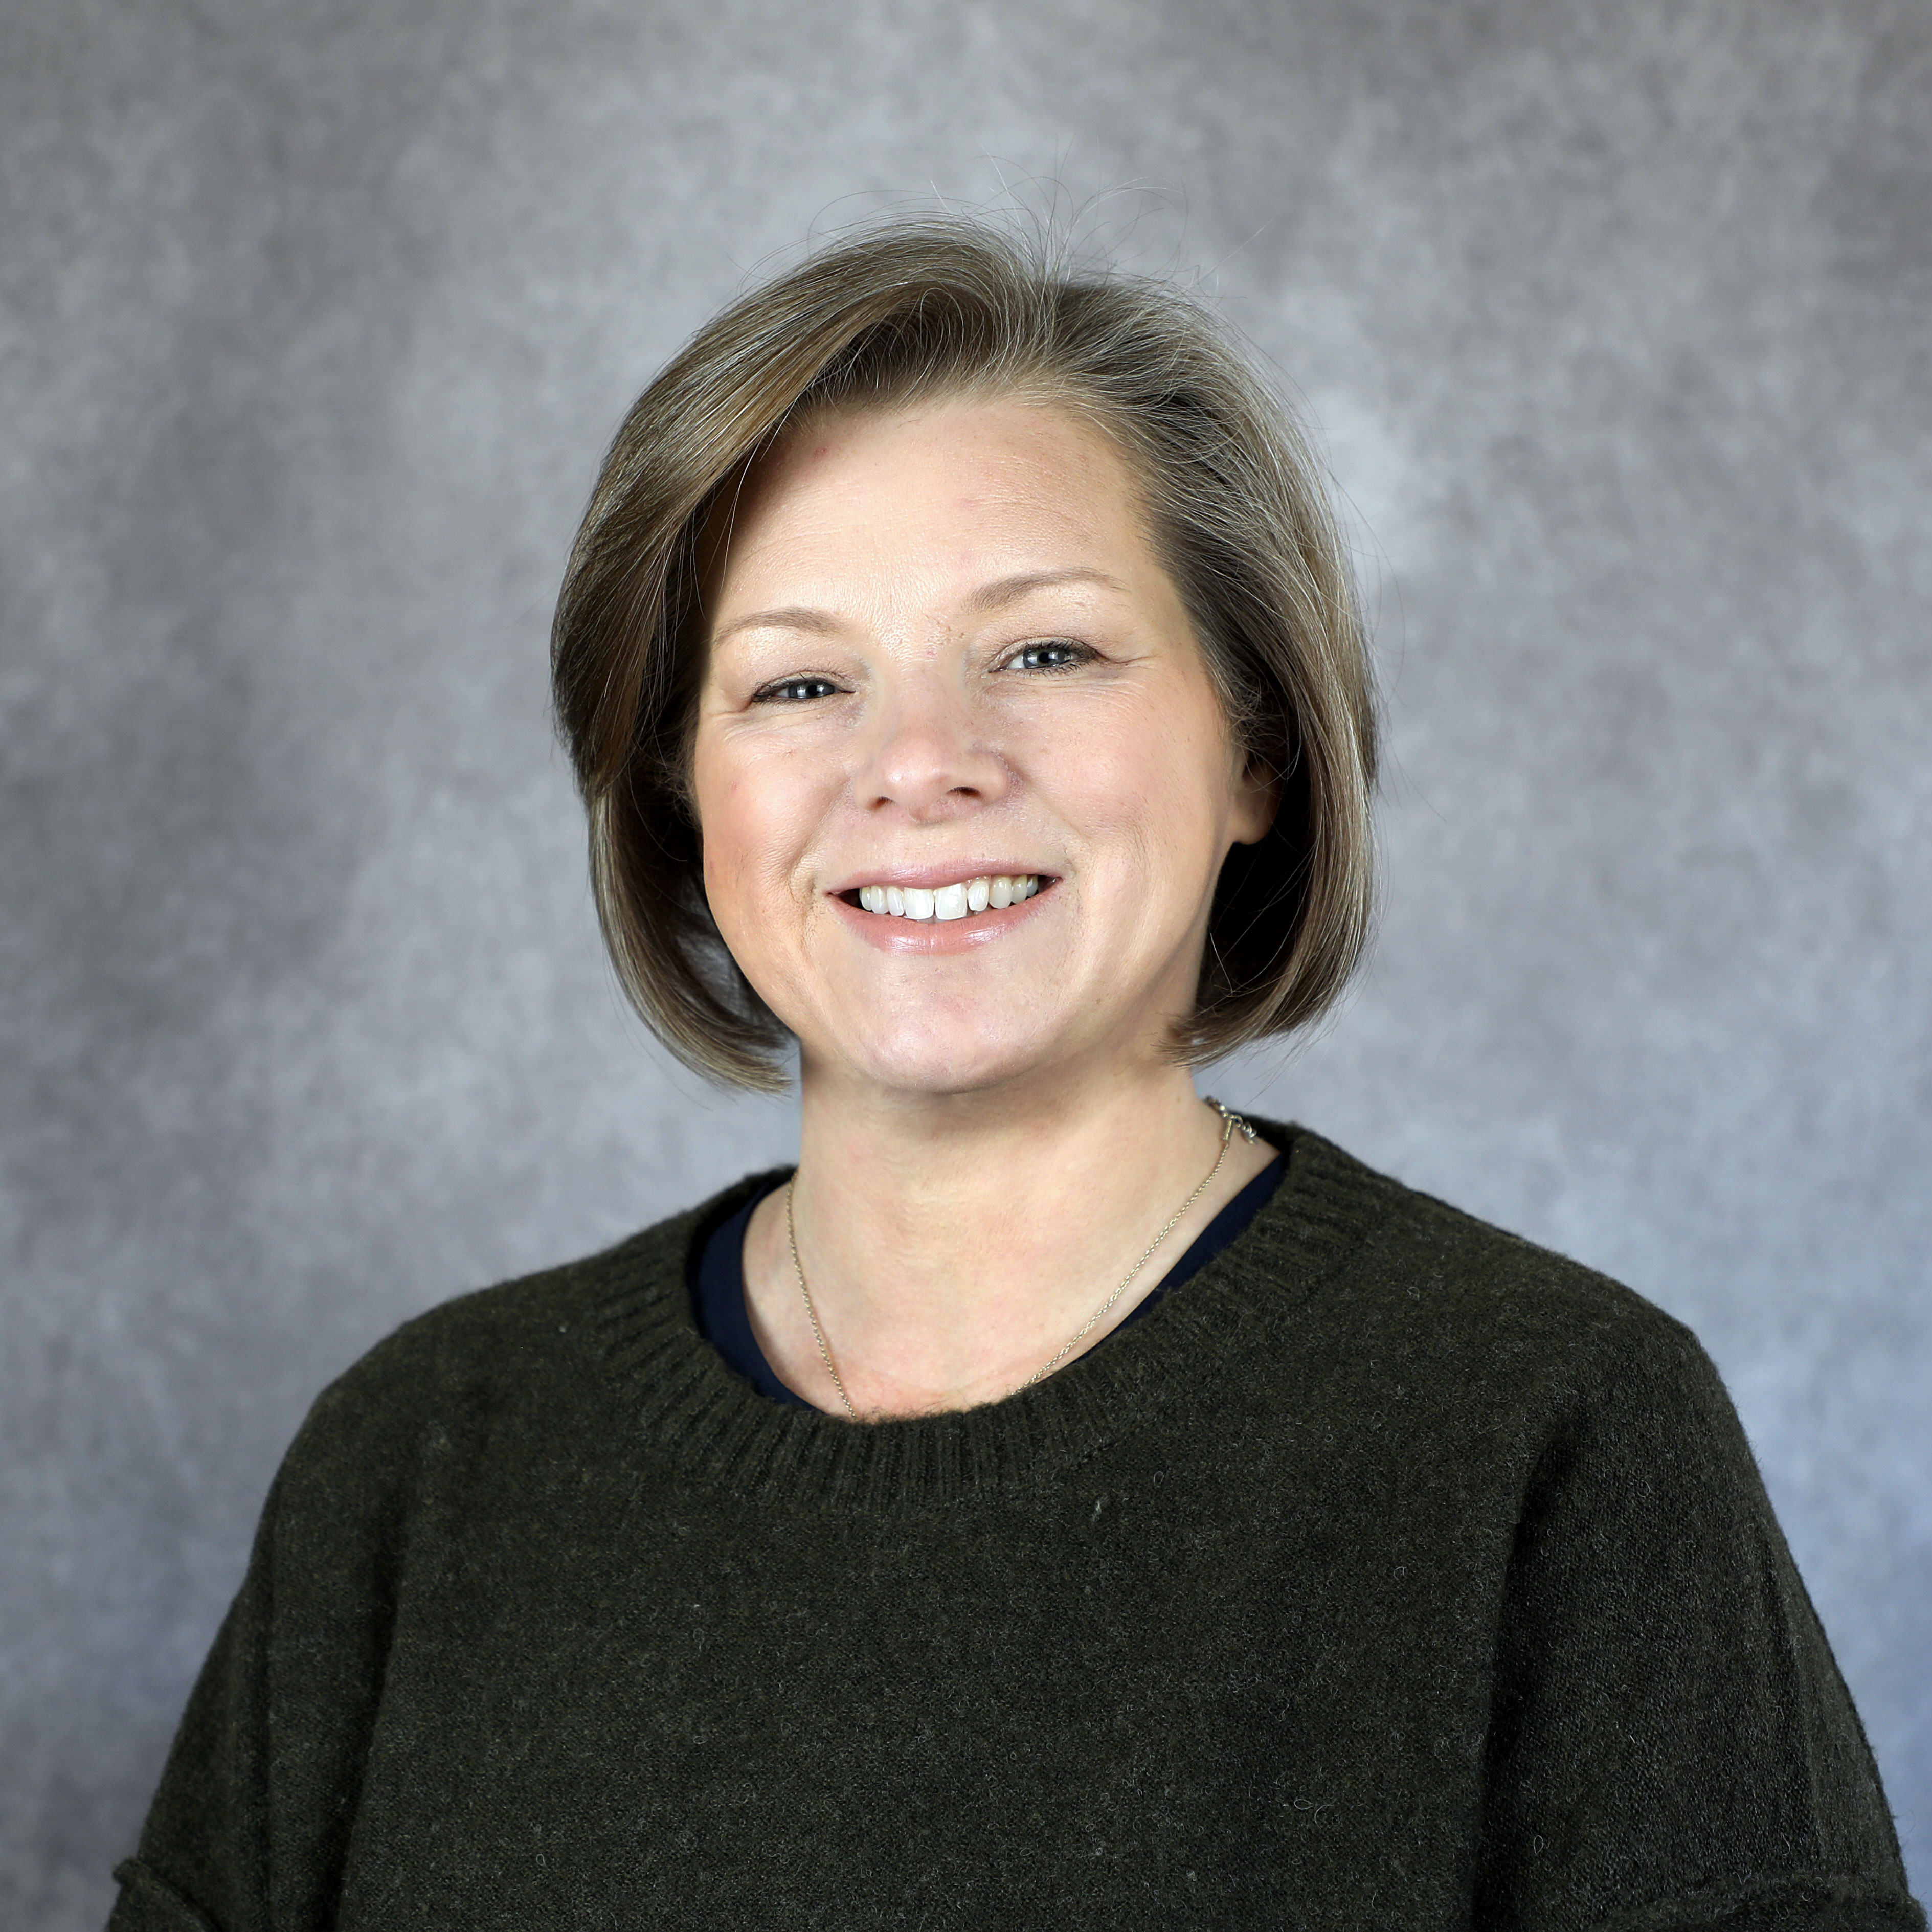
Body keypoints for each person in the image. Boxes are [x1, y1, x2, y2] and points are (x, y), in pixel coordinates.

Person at [108, 220, 1922, 1931]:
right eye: (797, 685)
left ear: (1256, 749)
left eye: (1043, 652)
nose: (921, 764)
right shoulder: (418, 1463)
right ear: (678, 789)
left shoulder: (1552, 1434)